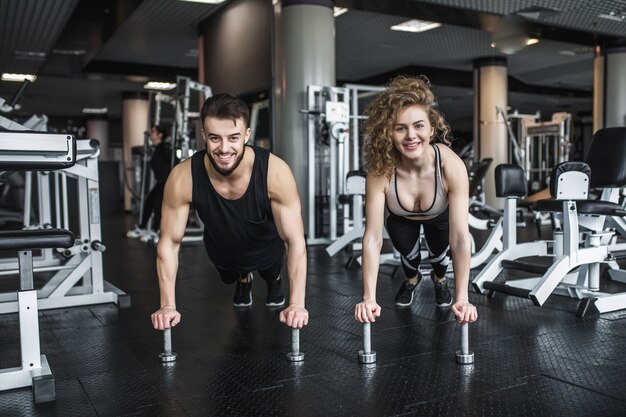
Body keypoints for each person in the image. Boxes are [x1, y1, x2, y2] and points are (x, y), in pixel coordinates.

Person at [151, 93, 308, 331]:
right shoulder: (183, 177)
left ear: (247, 135)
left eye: (233, 137)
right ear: (203, 135)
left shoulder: (275, 172)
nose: (224, 149)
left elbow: (295, 241)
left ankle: (273, 280)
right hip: (222, 247)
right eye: (214, 138)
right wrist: (167, 305)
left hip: (265, 245)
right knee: (230, 273)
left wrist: (297, 303)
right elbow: (169, 243)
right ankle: (243, 276)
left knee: (270, 269)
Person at [354, 76, 478, 325]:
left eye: (418, 126)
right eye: (400, 128)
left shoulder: (451, 165)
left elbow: (461, 237)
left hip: (439, 217)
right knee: (409, 259)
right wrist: (368, 297)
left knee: (439, 257)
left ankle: (440, 281)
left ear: (432, 129)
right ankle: (412, 280)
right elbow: (372, 237)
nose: (411, 136)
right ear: (389, 133)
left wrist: (462, 297)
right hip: (401, 219)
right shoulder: (381, 171)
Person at [127, 125, 172, 242]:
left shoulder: (164, 148)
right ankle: (142, 228)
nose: (151, 134)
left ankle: (155, 232)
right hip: (160, 182)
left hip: (167, 182)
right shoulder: (157, 148)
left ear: (160, 135)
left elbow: (174, 163)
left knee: (158, 205)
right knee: (148, 201)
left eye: (153, 132)